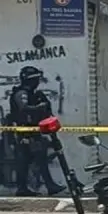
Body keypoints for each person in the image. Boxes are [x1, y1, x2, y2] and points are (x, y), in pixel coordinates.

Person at [10, 66, 65, 197]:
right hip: (25, 132)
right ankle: (48, 185)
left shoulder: (33, 94)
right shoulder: (21, 93)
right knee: (36, 158)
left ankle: (25, 188)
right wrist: (39, 107)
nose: (38, 82)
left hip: (31, 131)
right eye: (35, 79)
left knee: (28, 160)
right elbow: (24, 109)